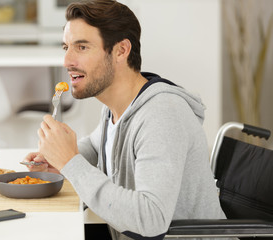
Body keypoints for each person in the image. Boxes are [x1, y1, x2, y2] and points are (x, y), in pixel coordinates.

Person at [24, 0, 227, 239]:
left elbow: (151, 219)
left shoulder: (162, 114)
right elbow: (99, 147)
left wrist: (70, 162)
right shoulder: (117, 106)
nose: (67, 61)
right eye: (65, 47)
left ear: (121, 50)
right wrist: (58, 158)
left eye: (82, 47)